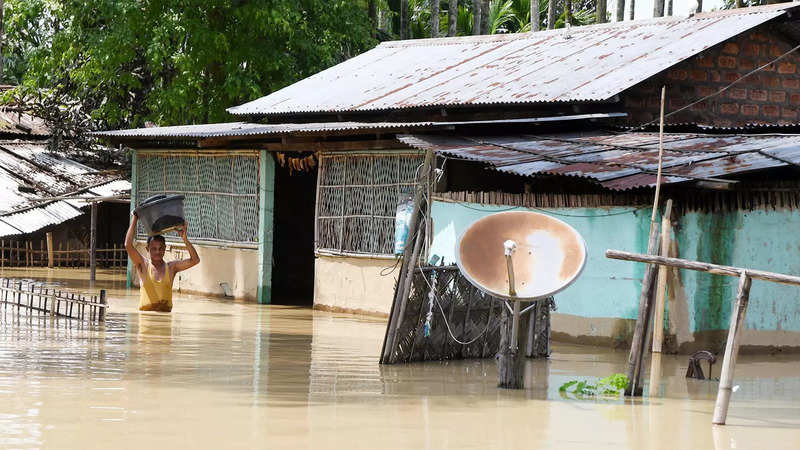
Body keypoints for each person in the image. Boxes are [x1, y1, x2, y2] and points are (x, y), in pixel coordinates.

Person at [125, 212, 200, 312]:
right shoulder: (143, 265)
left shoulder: (171, 268)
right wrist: (135, 217)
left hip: (165, 321)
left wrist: (185, 239)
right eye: (154, 249)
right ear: (148, 249)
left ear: (165, 249)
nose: (157, 252)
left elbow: (195, 260)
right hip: (146, 322)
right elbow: (128, 245)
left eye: (160, 248)